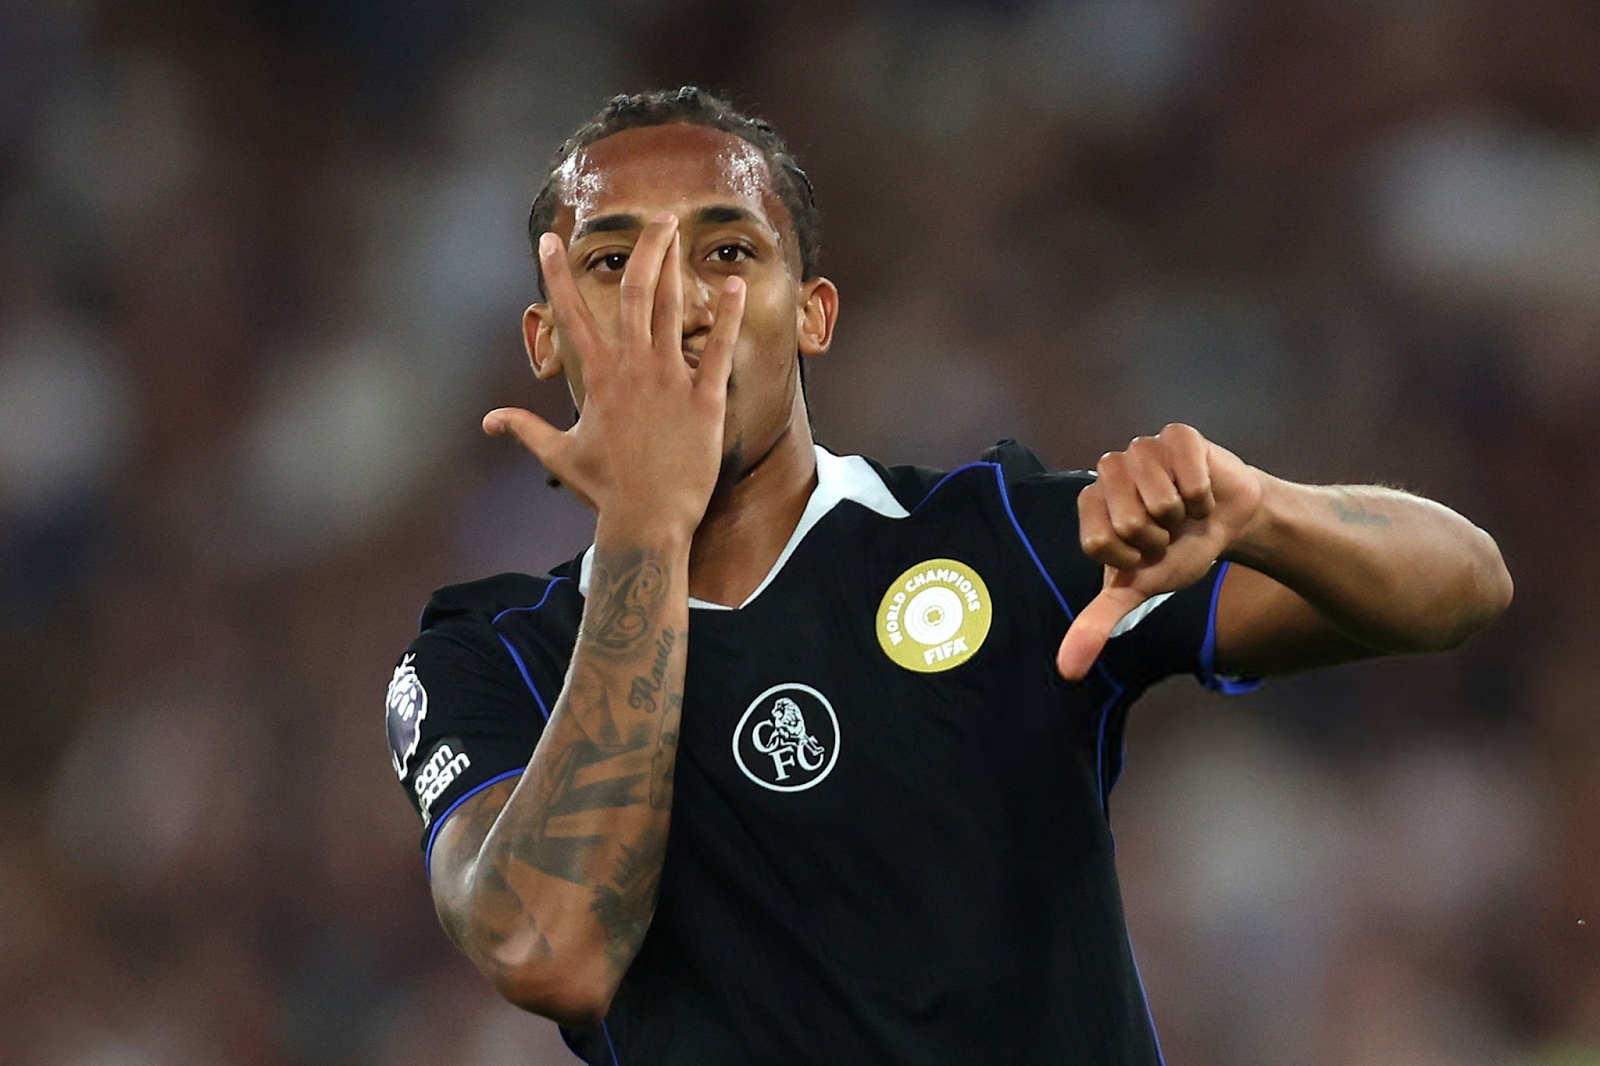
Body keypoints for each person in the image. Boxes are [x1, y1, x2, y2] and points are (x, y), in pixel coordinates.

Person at [384, 87, 1512, 1064]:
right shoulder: (489, 662)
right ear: (547, 338)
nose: (675, 306)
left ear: (814, 314)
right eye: (613, 263)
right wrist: (647, 523)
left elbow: (1463, 586)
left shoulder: (995, 539)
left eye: (727, 254)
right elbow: (552, 949)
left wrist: (1264, 512)